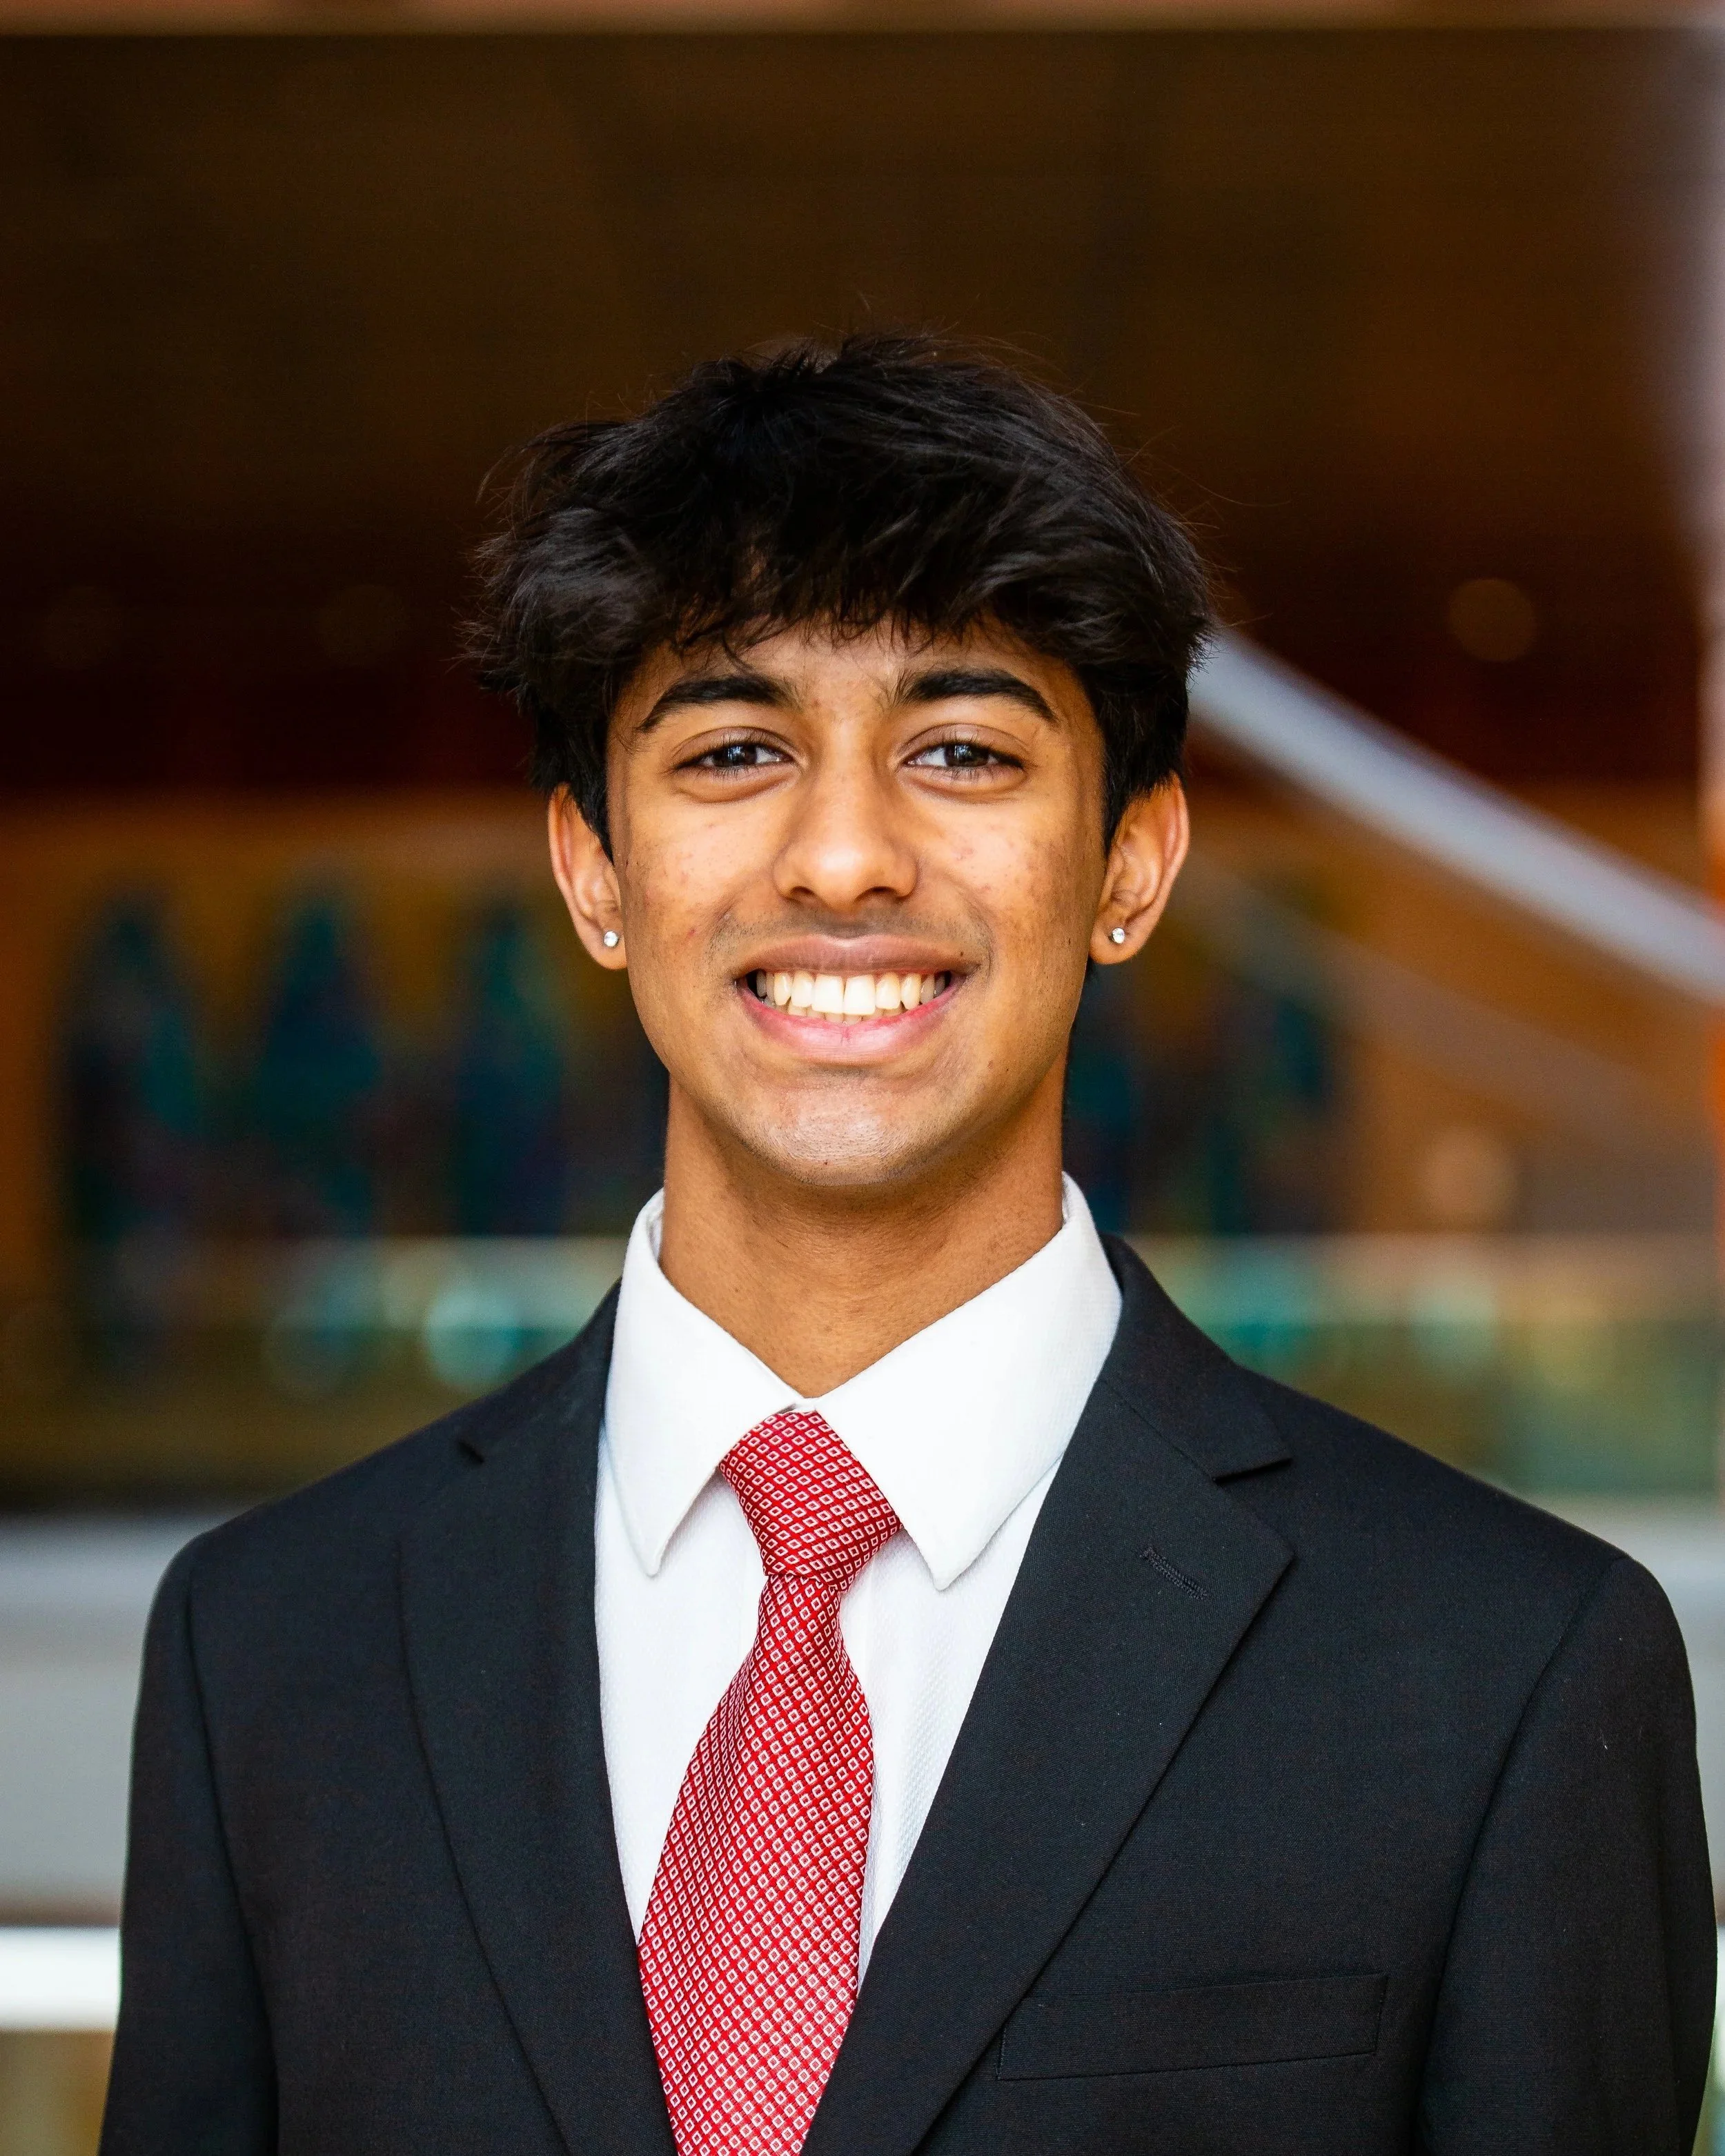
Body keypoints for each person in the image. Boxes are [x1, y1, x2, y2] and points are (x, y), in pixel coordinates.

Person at [101, 334, 1713, 2156]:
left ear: (1127, 864)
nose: (845, 855)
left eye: (958, 746)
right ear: (592, 872)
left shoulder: (1497, 1667)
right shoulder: (272, 1652)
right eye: (731, 748)